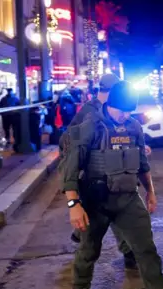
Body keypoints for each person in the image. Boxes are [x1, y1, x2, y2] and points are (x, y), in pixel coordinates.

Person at [62, 81, 163, 289]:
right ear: (109, 104)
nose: (124, 116)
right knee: (89, 251)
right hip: (95, 201)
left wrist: (151, 192)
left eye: (128, 111)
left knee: (147, 252)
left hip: (128, 199)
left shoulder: (133, 127)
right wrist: (73, 204)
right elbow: (70, 169)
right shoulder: (90, 127)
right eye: (120, 110)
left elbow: (142, 164)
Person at [59, 74, 138, 270]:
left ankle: (127, 251)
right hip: (91, 172)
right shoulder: (89, 112)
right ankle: (92, 248)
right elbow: (71, 143)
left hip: (112, 170)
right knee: (104, 210)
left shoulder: (111, 110)